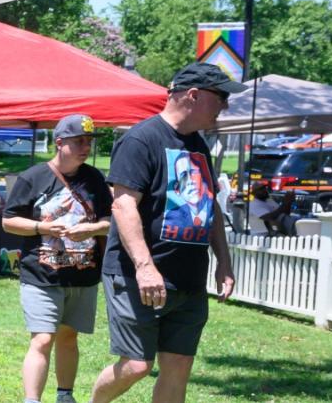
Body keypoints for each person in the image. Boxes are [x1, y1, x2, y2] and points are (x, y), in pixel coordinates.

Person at [90, 63, 239, 403]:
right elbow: (123, 206)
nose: (225, 105)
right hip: (136, 275)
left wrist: (224, 261)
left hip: (188, 278)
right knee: (136, 365)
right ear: (193, 95)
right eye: (221, 96)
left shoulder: (199, 145)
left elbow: (209, 206)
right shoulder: (141, 139)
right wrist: (145, 267)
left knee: (179, 366)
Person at [2, 115, 114, 403]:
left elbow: (111, 221)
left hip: (83, 274)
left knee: (68, 336)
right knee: (42, 339)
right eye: (79, 141)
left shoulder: (94, 178)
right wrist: (42, 228)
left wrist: (91, 229)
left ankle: (65, 396)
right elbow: (9, 221)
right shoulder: (33, 177)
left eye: (89, 142)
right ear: (60, 142)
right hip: (41, 275)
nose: (86, 147)